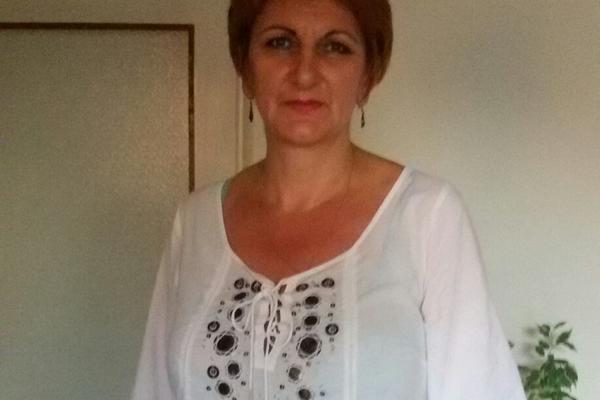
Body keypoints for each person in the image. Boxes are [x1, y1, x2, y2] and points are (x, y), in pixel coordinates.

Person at [132, 0, 526, 399]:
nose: (304, 73)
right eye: (280, 43)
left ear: (367, 77)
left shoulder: (426, 215)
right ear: (246, 69)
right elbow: (154, 389)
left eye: (335, 47)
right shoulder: (194, 222)